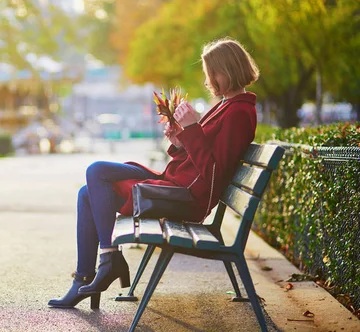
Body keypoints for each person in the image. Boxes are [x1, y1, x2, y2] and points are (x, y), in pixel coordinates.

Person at [48, 38, 260, 309]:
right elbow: (200, 157)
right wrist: (181, 140)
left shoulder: (239, 112)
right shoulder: (226, 106)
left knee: (96, 173)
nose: (209, 81)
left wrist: (193, 128)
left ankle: (107, 262)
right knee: (88, 190)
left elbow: (214, 174)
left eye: (212, 73)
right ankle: (87, 277)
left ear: (229, 70)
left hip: (186, 198)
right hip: (173, 183)